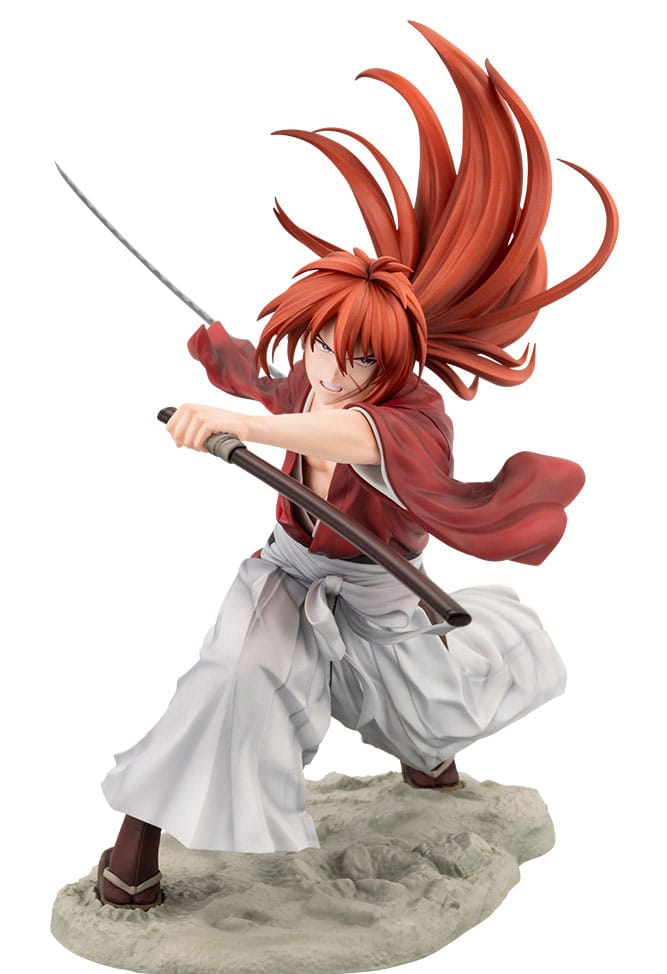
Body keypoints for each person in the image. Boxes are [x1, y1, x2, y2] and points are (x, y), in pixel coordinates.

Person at [96, 24, 617, 910]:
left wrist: (228, 423)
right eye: (322, 346)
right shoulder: (311, 379)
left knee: (425, 709)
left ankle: (429, 757)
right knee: (230, 679)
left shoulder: (410, 418)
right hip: (286, 574)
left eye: (362, 359)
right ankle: (135, 849)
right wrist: (222, 357)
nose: (335, 373)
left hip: (378, 593)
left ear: (399, 357)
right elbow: (276, 386)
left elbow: (339, 431)